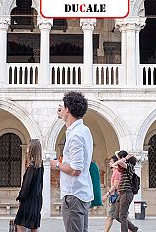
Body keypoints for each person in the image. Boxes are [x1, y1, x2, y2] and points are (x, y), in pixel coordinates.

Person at [50, 91, 94, 232]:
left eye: (61, 106)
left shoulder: (75, 135)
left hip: (74, 194)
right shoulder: (84, 130)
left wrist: (56, 164)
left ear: (68, 109)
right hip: (81, 193)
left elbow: (75, 170)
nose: (59, 108)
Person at [15, 139, 44, 232]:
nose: (26, 150)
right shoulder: (40, 166)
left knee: (20, 224)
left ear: (31, 149)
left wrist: (20, 198)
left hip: (28, 201)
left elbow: (26, 186)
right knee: (34, 226)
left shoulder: (32, 167)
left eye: (28, 147)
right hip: (37, 200)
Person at [113, 153, 140, 232]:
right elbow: (114, 164)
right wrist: (125, 159)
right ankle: (134, 229)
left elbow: (119, 163)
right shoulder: (124, 170)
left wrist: (126, 158)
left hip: (127, 193)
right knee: (117, 216)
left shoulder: (130, 167)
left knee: (123, 216)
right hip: (122, 194)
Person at [102, 155, 121, 232]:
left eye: (111, 161)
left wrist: (106, 195)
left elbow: (115, 186)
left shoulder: (116, 173)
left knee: (111, 216)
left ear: (115, 163)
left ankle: (132, 228)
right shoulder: (115, 172)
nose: (109, 163)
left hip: (116, 197)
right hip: (116, 196)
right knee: (121, 215)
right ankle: (132, 228)